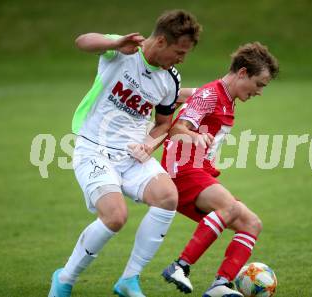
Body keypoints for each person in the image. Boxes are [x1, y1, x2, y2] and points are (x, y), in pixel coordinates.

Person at [48, 10, 201, 297]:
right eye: (179, 51)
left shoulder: (171, 80)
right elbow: (82, 41)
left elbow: (163, 124)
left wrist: (149, 144)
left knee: (168, 196)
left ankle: (129, 280)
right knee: (115, 216)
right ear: (159, 41)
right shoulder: (123, 50)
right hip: (93, 148)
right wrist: (114, 43)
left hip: (131, 155)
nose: (181, 58)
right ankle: (65, 278)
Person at [160, 42, 279, 297]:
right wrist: (195, 136)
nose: (259, 92)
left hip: (198, 171)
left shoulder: (227, 99)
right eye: (259, 84)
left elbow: (179, 99)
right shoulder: (211, 94)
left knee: (251, 223)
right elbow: (178, 127)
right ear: (243, 73)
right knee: (230, 207)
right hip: (181, 170)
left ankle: (220, 285)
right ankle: (180, 266)